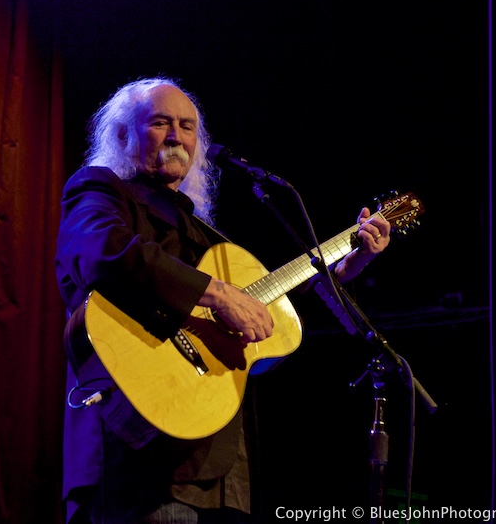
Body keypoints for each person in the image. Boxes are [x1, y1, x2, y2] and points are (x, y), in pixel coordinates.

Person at [55, 77, 391, 523]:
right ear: (122, 136)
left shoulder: (203, 234)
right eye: (160, 123)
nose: (177, 136)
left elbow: (268, 320)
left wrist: (346, 270)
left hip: (220, 467)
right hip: (136, 455)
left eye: (187, 126)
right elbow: (102, 252)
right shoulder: (101, 191)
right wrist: (215, 293)